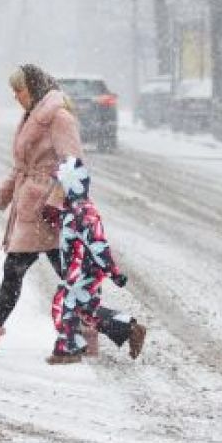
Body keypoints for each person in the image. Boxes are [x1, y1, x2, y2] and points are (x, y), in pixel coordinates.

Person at [0, 64, 146, 362]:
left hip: (47, 212)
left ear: (33, 86)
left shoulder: (58, 117)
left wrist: (56, 203)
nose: (15, 96)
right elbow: (20, 169)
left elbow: (74, 165)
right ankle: (117, 328)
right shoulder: (32, 116)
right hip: (33, 207)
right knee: (64, 280)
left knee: (14, 272)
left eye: (19, 89)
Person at [46, 156, 145, 364]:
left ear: (71, 184)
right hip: (79, 268)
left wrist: (113, 272)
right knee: (85, 310)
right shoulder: (71, 209)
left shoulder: (83, 212)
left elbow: (98, 245)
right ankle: (128, 328)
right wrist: (57, 218)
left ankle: (69, 348)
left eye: (58, 184)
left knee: (64, 302)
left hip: (86, 269)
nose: (54, 188)